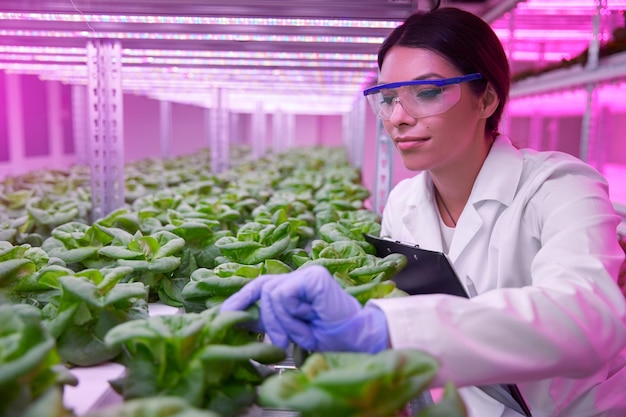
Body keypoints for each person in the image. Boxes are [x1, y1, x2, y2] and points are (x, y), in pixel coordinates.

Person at [221, 6, 626, 417]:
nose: (397, 118)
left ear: (486, 98)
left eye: (427, 92)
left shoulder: (561, 187)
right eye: (388, 98)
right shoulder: (402, 202)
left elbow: (586, 321)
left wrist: (382, 327)